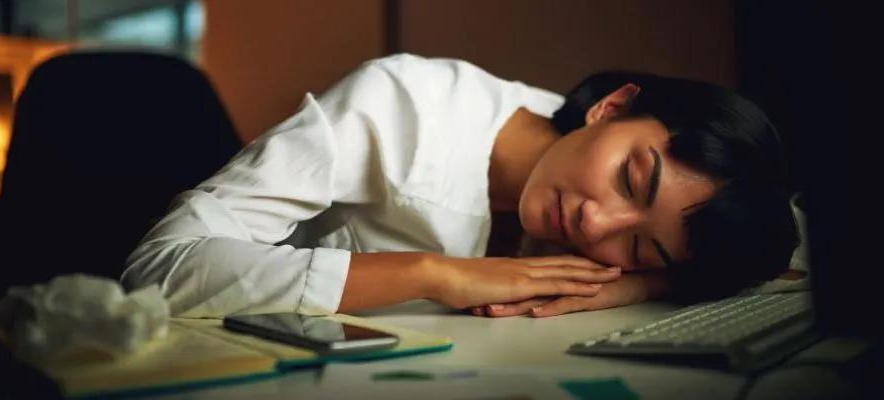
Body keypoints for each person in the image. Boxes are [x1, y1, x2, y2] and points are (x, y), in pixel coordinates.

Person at [121, 53, 798, 319]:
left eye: (641, 247)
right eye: (629, 178)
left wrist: (645, 284)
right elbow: (155, 269)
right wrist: (433, 274)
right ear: (612, 107)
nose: (597, 226)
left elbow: (791, 253)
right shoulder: (400, 104)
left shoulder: (630, 230)